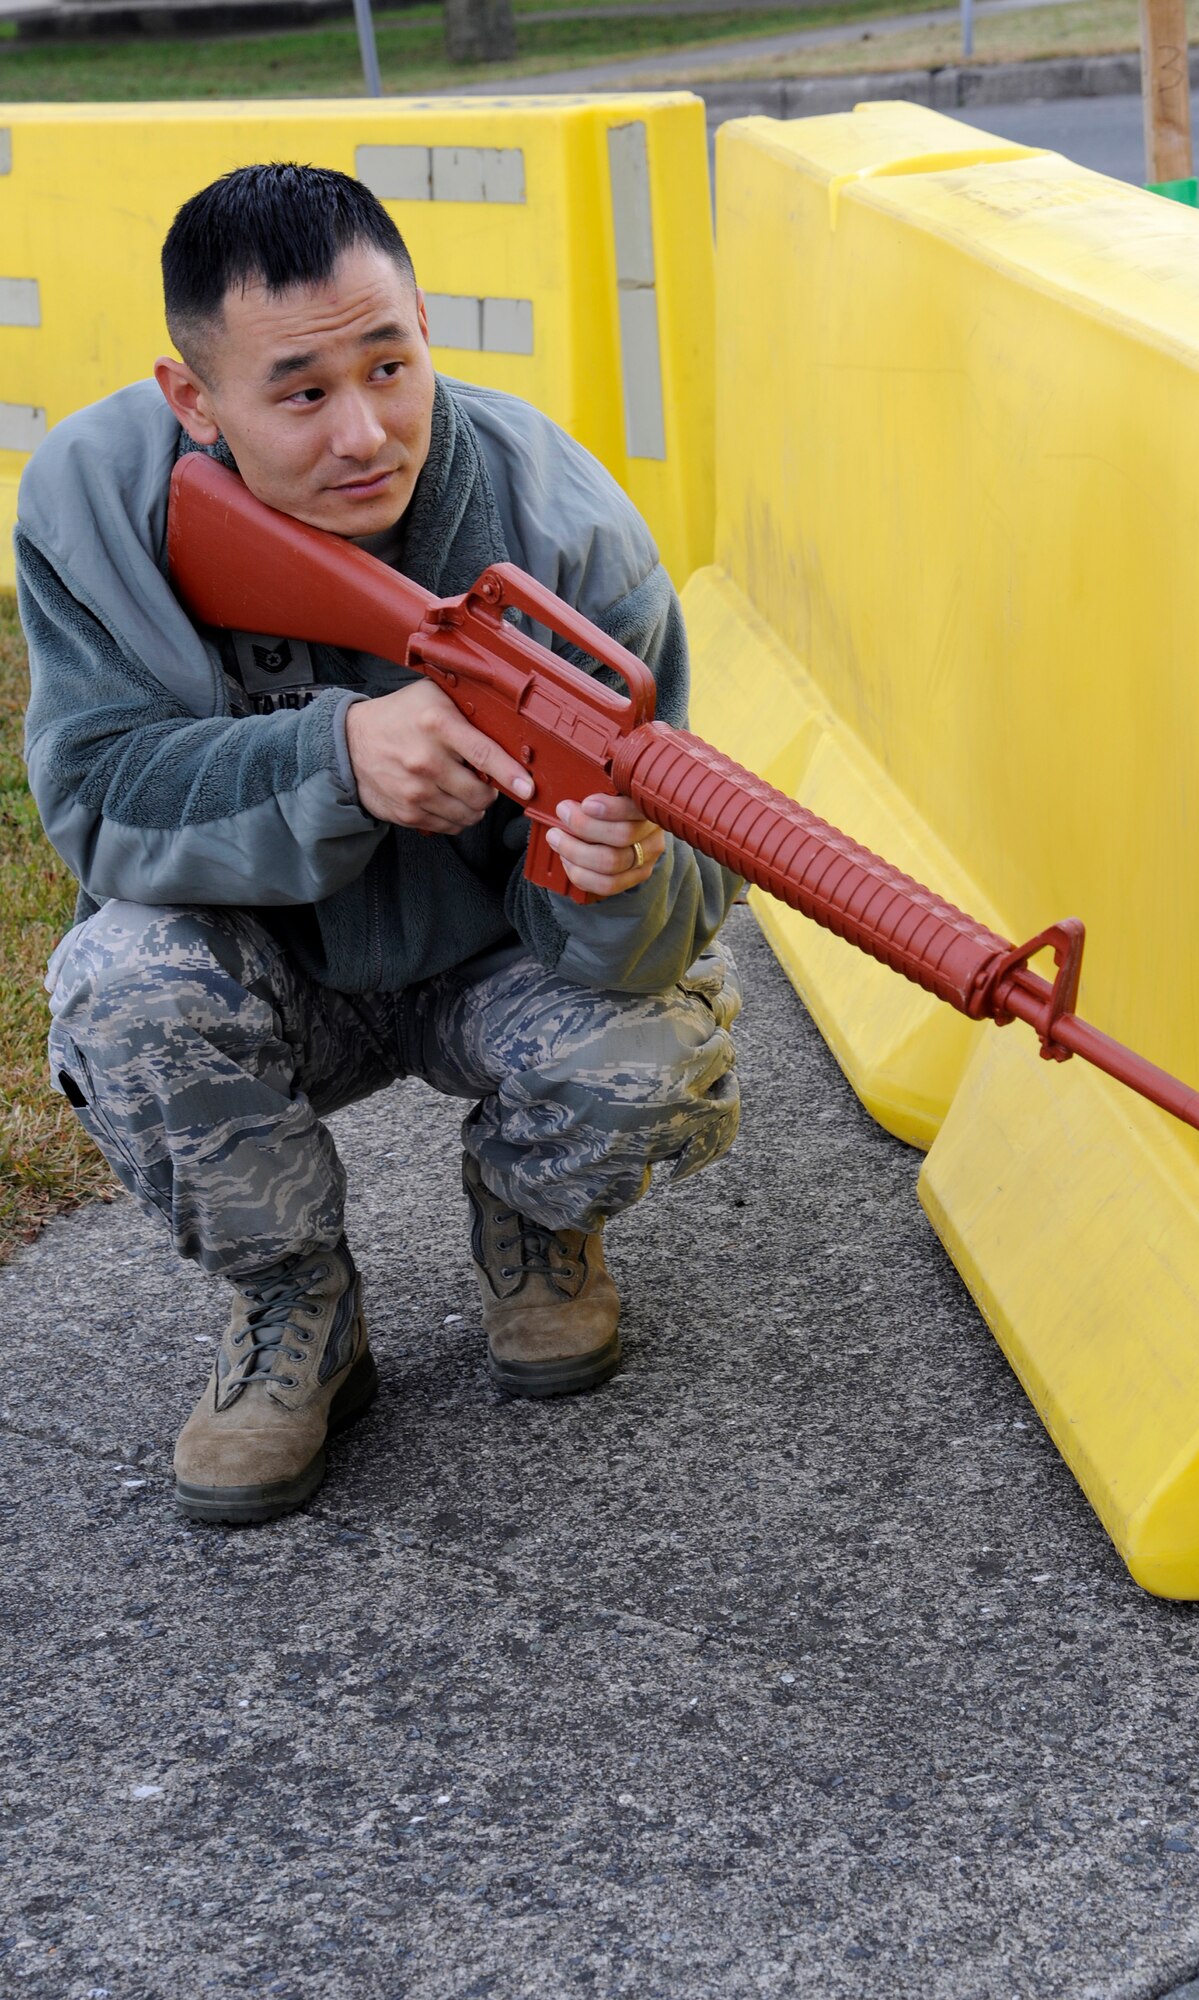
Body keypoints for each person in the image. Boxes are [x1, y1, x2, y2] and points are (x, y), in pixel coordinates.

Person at [18, 163, 742, 1526]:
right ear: (195, 400)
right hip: (269, 973)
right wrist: (334, 757)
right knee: (123, 985)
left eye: (392, 364)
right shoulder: (97, 508)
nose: (365, 432)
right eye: (300, 392)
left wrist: (624, 876)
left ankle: (537, 1223)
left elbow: (684, 881)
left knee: (653, 1048)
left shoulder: (565, 529)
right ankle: (296, 1303)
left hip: (494, 967)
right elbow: (99, 798)